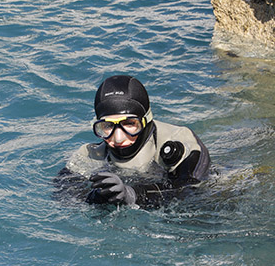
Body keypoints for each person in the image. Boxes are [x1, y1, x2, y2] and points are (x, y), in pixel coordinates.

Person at [59, 75, 210, 207]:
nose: (118, 138)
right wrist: (94, 199)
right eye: (108, 126)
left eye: (129, 124)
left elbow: (187, 190)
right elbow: (63, 196)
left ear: (146, 120)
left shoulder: (181, 141)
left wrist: (133, 195)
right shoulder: (90, 155)